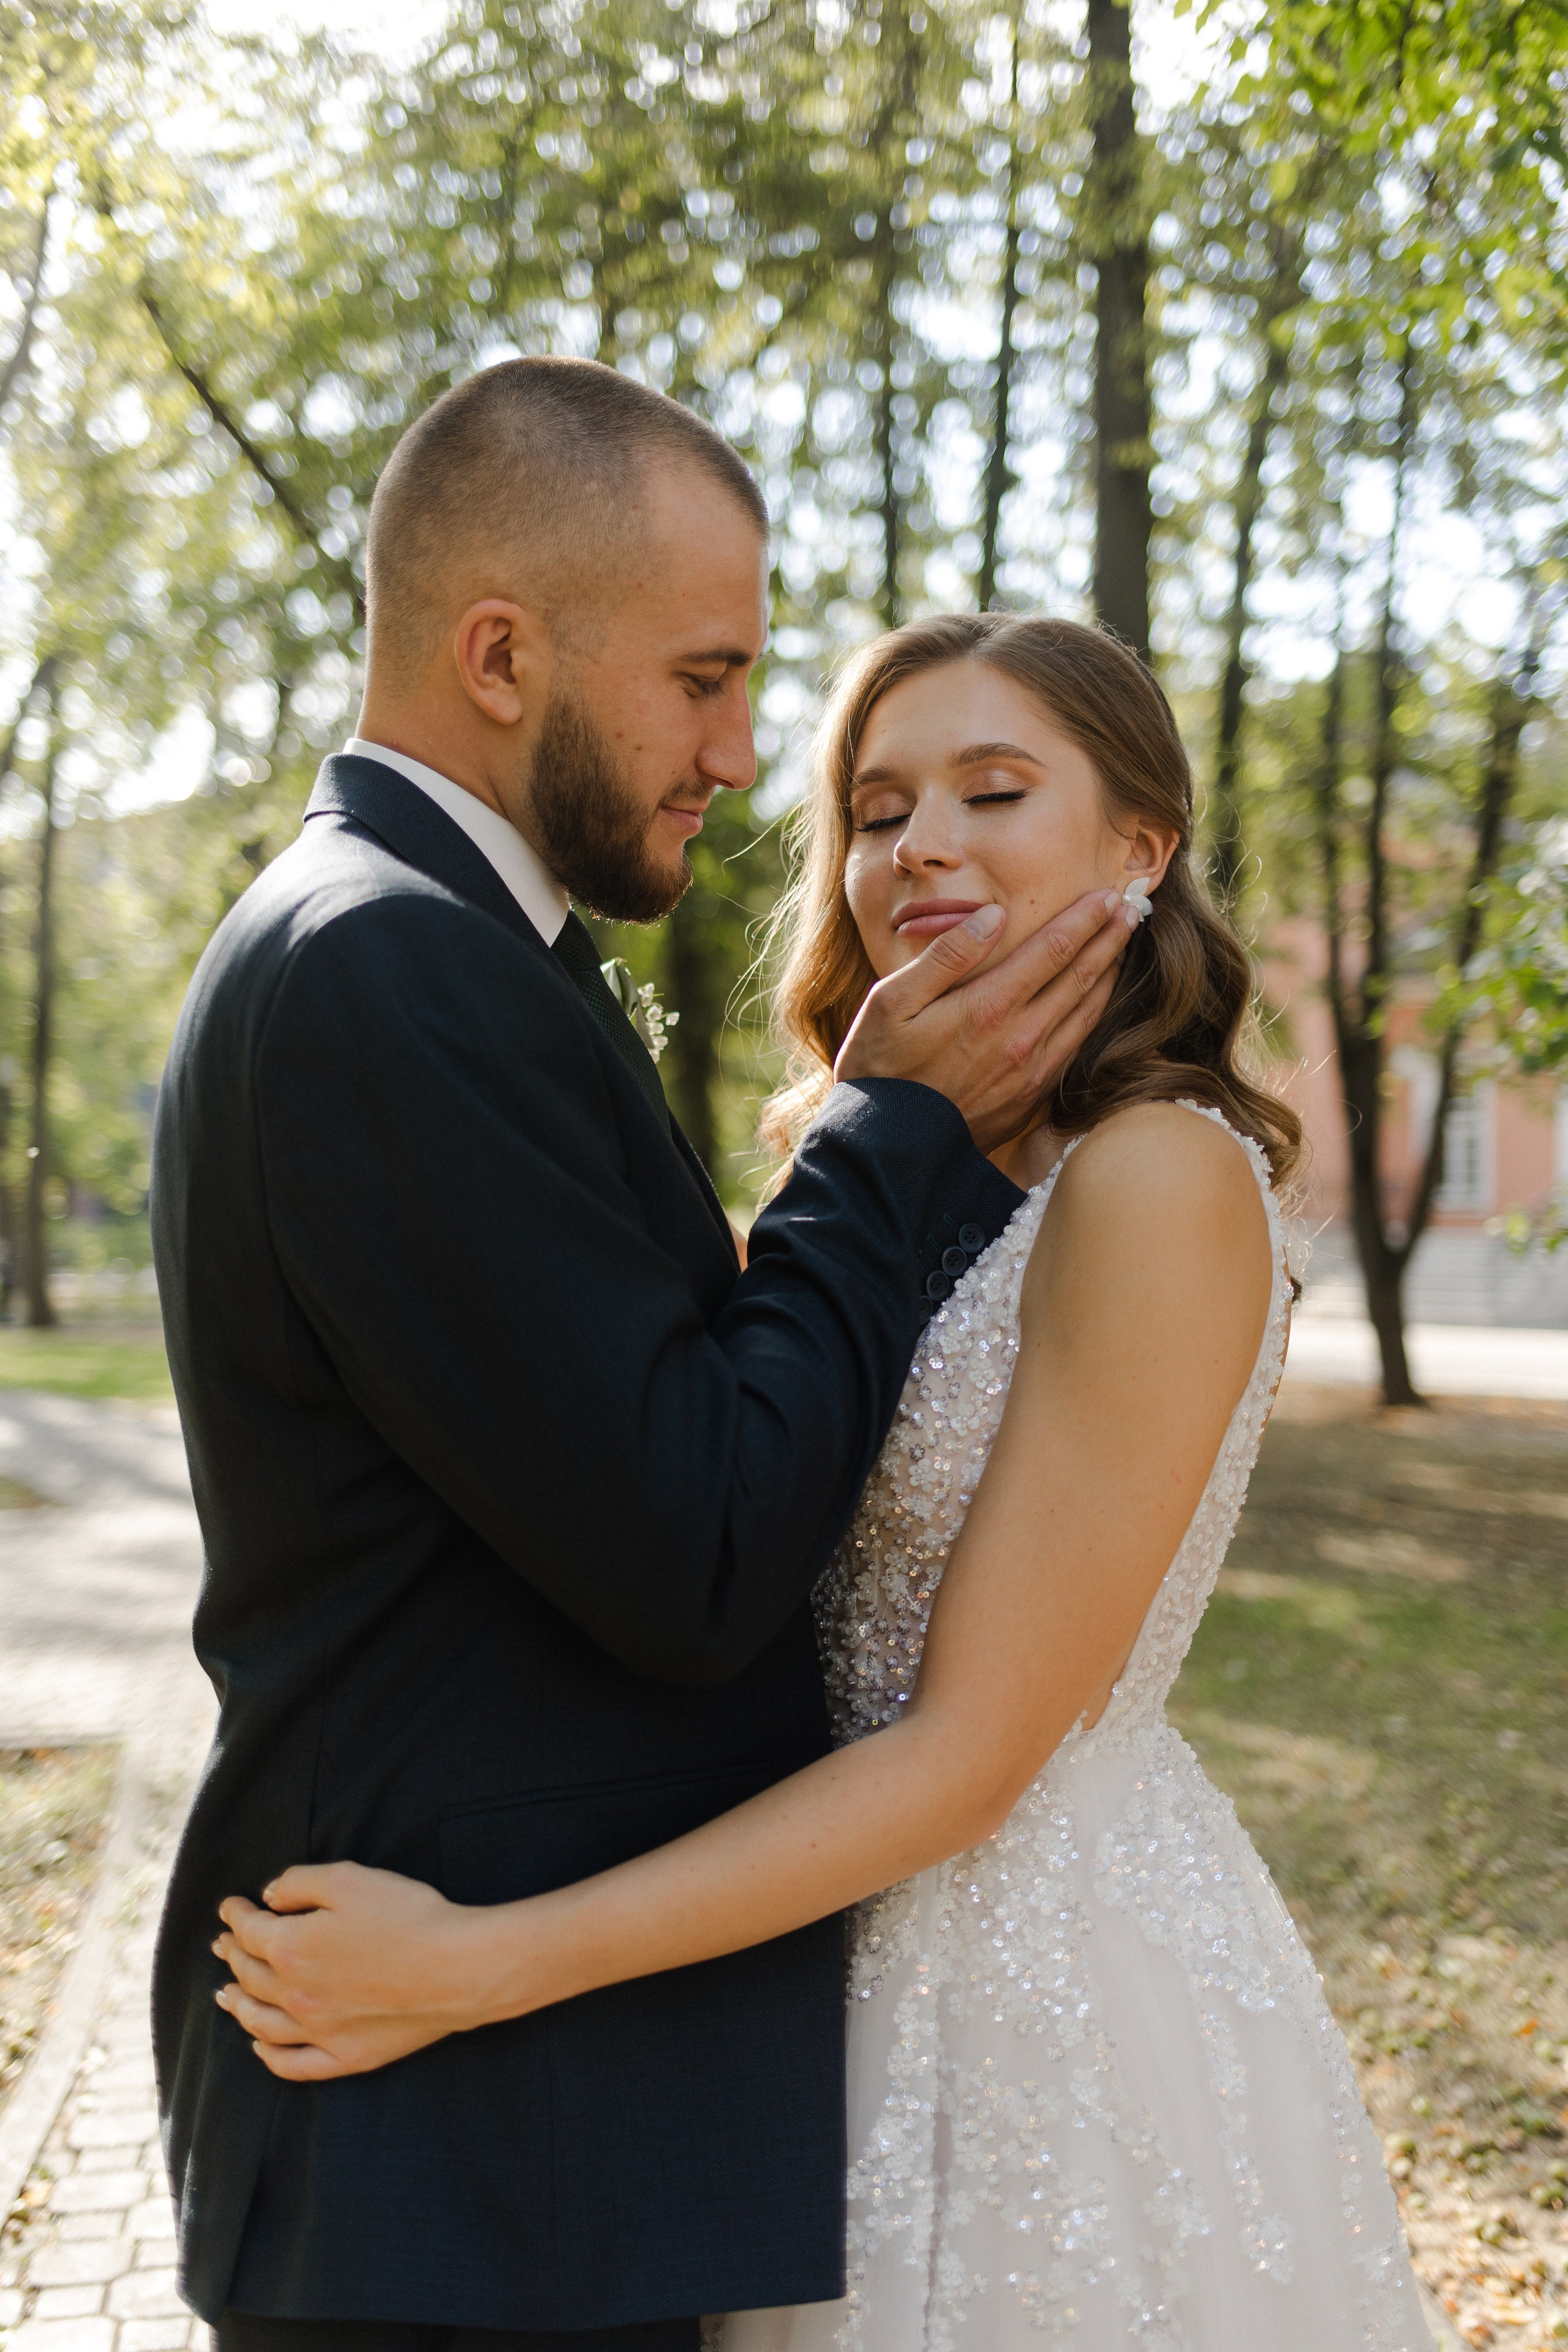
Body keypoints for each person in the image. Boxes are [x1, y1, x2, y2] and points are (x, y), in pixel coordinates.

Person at [215, 614, 1434, 2351]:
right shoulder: (863, 1161)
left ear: (1142, 844)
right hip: (786, 1973)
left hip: (1035, 1994)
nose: (920, 842)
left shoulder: (1156, 1177)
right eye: (876, 808)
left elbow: (966, 1756)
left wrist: (484, 1959)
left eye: (992, 790)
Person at [151, 366, 1135, 2352]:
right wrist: (883, 1136)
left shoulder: (440, 945)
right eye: (702, 679)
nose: (739, 751)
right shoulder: (382, 966)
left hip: (512, 2146)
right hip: (448, 2162)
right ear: (501, 653)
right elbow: (694, 1547)